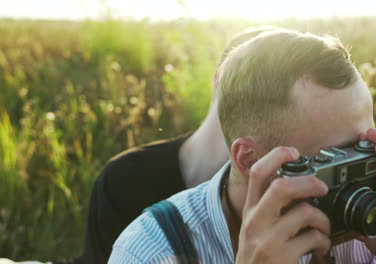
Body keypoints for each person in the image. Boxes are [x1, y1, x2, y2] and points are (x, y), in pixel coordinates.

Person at [109, 28, 376, 264]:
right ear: (250, 159)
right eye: (338, 158)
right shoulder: (154, 252)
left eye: (367, 149)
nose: (365, 174)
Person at [70, 27, 279, 264]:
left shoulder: (280, 185)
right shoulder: (125, 179)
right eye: (258, 82)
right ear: (221, 77)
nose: (266, 99)